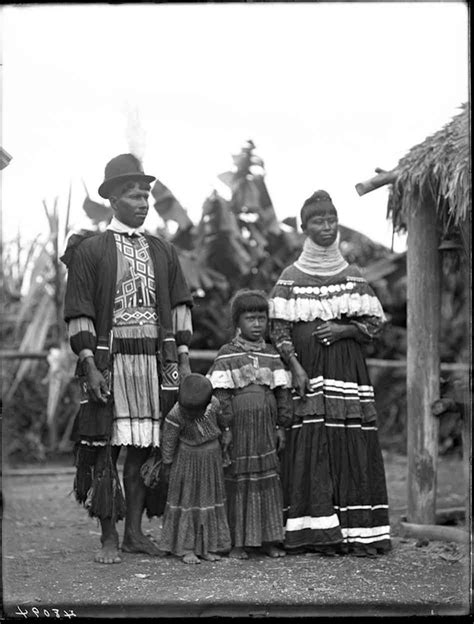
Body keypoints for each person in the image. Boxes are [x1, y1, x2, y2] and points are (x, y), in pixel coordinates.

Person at [61, 153, 193, 564]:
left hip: (154, 361)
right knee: (105, 449)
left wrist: (183, 361)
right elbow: (79, 308)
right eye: (133, 195)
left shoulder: (163, 251)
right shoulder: (90, 249)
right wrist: (87, 362)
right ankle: (108, 538)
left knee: (143, 448)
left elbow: (179, 310)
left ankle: (135, 532)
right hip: (109, 360)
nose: (142, 202)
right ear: (112, 200)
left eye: (146, 195)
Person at [268, 190, 391, 557]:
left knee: (349, 439)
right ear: (304, 228)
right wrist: (295, 366)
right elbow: (279, 331)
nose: (327, 227)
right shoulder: (290, 277)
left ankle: (359, 533)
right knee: (311, 440)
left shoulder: (352, 275)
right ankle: (314, 532)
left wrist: (344, 330)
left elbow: (374, 323)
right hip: (308, 374)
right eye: (318, 221)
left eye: (331, 220)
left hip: (346, 372)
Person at [206, 289, 293, 559]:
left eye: (262, 318)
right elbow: (220, 395)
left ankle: (269, 539)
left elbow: (282, 393)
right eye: (250, 318)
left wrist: (282, 425)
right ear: (237, 323)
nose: (257, 324)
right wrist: (226, 428)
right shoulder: (227, 354)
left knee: (267, 478)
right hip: (239, 429)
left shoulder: (272, 354)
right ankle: (237, 542)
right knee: (239, 480)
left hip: (265, 429)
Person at [158, 374, 232, 564]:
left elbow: (224, 423)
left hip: (210, 459)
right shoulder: (175, 415)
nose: (190, 415)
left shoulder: (214, 404)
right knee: (188, 502)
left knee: (208, 501)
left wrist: (226, 434)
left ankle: (206, 547)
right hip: (186, 462)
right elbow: (168, 441)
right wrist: (167, 464)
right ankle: (187, 548)